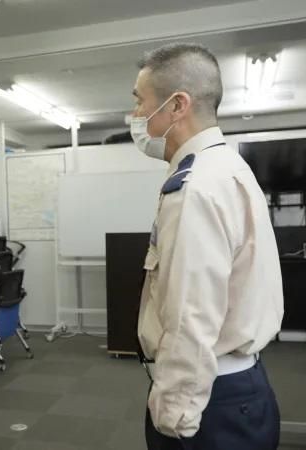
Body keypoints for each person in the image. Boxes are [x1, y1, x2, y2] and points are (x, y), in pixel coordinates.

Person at [131, 43, 283, 450]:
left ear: (177, 105)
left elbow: (190, 317)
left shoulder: (194, 188)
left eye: (140, 102)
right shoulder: (227, 167)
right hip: (237, 386)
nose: (136, 116)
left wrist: (172, 416)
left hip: (210, 398)